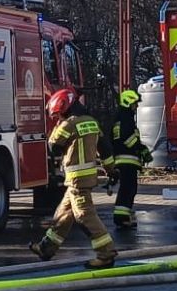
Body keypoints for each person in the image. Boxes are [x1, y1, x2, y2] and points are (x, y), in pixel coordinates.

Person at [30, 89, 117, 268]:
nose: (58, 117)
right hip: (83, 179)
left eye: (59, 114)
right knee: (62, 215)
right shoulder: (92, 122)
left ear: (64, 107)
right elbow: (105, 149)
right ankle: (46, 248)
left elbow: (53, 147)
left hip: (77, 180)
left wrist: (57, 127)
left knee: (85, 216)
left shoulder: (68, 124)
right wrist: (111, 170)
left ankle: (106, 254)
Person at [106, 88, 152, 227]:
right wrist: (141, 148)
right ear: (128, 103)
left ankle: (123, 216)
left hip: (121, 159)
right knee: (128, 189)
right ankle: (121, 218)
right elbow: (127, 139)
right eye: (134, 103)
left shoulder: (119, 118)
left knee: (126, 188)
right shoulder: (126, 119)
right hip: (127, 159)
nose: (136, 106)